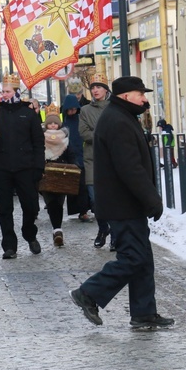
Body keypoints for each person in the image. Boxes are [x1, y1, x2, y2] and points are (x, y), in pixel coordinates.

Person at [69, 76, 174, 329]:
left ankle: (144, 312)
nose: (145, 99)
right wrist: (151, 199)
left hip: (126, 204)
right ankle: (89, 293)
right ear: (127, 96)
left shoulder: (122, 116)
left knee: (143, 258)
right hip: (122, 205)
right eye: (141, 94)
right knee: (133, 258)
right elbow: (130, 169)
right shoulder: (117, 121)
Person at [0, 74, 45, 259]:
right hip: (2, 167)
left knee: (31, 206)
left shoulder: (28, 112)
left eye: (7, 91)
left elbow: (38, 142)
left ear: (16, 92)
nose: (4, 94)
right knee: (4, 209)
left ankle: (29, 234)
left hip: (25, 167)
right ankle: (9, 245)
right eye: (2, 91)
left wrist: (39, 167)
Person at [39, 104, 77, 247]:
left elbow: (71, 154)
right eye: (51, 123)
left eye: (56, 123)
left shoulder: (65, 138)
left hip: (62, 174)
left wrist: (73, 166)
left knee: (59, 202)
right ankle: (56, 228)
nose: (53, 125)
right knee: (51, 202)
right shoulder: (40, 138)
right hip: (46, 173)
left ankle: (57, 229)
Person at [80, 73, 111, 248]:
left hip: (112, 159)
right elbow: (84, 133)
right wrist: (103, 134)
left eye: (98, 87)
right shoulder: (85, 110)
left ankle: (114, 235)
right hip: (92, 159)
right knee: (95, 199)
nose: (95, 90)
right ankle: (103, 227)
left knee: (112, 199)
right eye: (93, 87)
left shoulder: (114, 107)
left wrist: (98, 133)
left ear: (105, 89)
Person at [62, 94, 91, 223]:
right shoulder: (64, 123)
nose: (72, 111)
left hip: (82, 155)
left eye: (74, 109)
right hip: (70, 158)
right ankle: (78, 210)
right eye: (70, 109)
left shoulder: (81, 120)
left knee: (84, 186)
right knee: (74, 186)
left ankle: (84, 211)